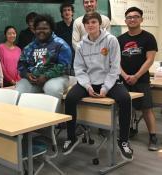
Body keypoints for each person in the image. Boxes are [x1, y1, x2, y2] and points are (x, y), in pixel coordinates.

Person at [63, 12, 133, 161]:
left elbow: (115, 68)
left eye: (94, 22)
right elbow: (79, 69)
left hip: (109, 81)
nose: (90, 25)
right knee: (70, 98)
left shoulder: (111, 40)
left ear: (100, 24)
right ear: (84, 25)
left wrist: (105, 88)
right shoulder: (81, 45)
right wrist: (87, 86)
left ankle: (124, 140)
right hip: (88, 81)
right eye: (87, 23)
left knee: (125, 99)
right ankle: (71, 137)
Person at [118, 7, 159, 151]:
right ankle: (127, 132)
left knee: (146, 108)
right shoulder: (120, 39)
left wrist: (136, 76)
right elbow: (115, 61)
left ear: (141, 19)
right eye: (129, 17)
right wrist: (125, 76)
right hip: (123, 80)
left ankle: (153, 136)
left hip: (141, 80)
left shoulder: (148, 38)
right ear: (125, 20)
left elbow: (150, 60)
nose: (132, 19)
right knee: (125, 108)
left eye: (135, 16)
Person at [16, 14, 72, 112]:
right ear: (34, 30)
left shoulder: (60, 44)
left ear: (51, 29)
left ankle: (54, 124)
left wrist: (46, 76)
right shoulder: (29, 47)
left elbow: (64, 66)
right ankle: (22, 121)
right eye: (38, 28)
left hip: (57, 77)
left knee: (52, 88)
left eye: (45, 28)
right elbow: (21, 64)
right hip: (34, 80)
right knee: (19, 90)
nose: (41, 31)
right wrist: (26, 74)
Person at [55, 3, 75, 74]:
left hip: (75, 56)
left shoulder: (78, 24)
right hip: (61, 56)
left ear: (72, 12)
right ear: (62, 13)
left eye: (69, 10)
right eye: (64, 10)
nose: (67, 12)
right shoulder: (56, 26)